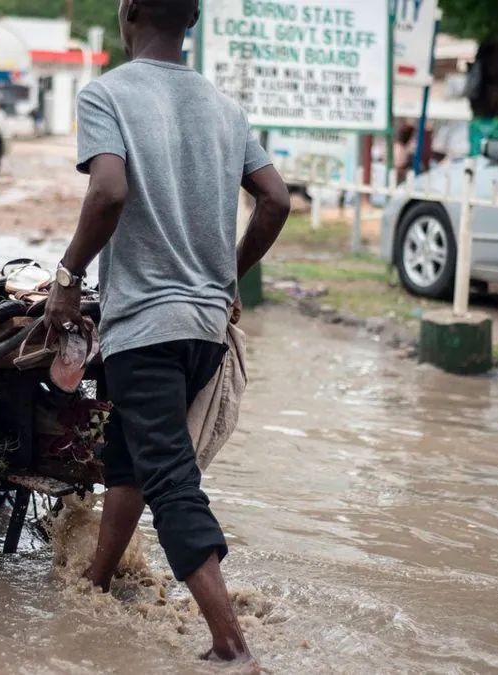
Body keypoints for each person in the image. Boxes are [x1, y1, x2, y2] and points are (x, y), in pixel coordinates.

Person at [43, 0, 291, 666]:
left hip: (146, 329)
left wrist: (67, 275)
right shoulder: (224, 107)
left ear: (127, 15)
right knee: (130, 452)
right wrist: (227, 275)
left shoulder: (107, 94)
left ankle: (230, 643)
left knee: (172, 480)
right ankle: (97, 575)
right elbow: (276, 199)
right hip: (204, 331)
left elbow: (110, 191)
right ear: (194, 22)